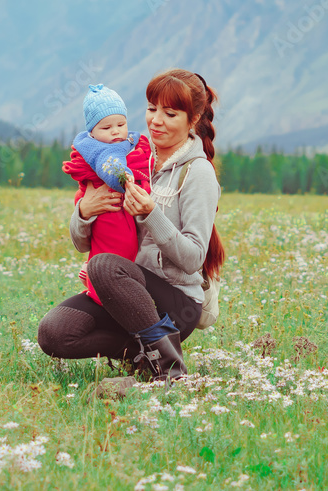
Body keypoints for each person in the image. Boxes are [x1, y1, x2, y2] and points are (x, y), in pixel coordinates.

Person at [37, 69, 224, 383]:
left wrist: (151, 214)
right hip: (128, 295)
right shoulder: (131, 159)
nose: (156, 120)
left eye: (170, 113)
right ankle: (143, 356)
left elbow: (193, 259)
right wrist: (84, 212)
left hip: (177, 305)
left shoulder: (197, 173)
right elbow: (82, 243)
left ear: (192, 120)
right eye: (151, 109)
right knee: (55, 333)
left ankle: (169, 370)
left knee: (104, 266)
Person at [61, 83, 152, 305]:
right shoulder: (97, 158)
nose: (115, 131)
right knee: (111, 252)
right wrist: (83, 210)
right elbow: (111, 170)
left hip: (145, 262)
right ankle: (100, 279)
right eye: (106, 127)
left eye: (121, 124)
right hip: (109, 234)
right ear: (91, 133)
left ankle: (101, 278)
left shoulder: (138, 153)